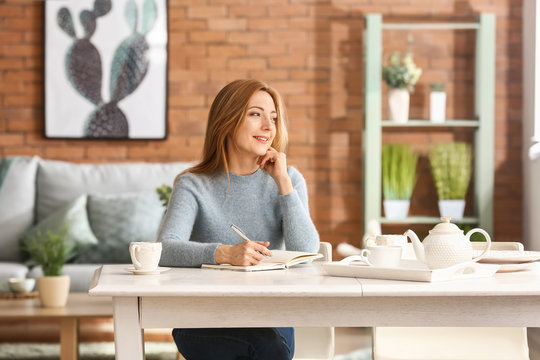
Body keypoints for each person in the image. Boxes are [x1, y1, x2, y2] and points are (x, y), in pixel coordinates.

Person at [157, 79, 320, 360]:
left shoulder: (289, 180)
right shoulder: (193, 184)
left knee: (266, 342)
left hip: (270, 317)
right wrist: (225, 253)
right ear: (227, 121)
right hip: (203, 319)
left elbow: (306, 251)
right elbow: (165, 249)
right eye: (256, 114)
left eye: (274, 118)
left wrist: (282, 183)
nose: (269, 127)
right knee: (266, 348)